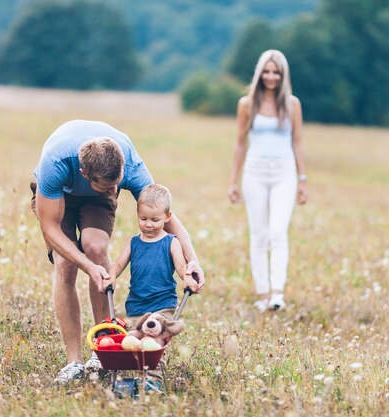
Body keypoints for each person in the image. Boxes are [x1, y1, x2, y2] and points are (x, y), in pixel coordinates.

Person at [30, 120, 205, 384]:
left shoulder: (130, 166)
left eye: (118, 183)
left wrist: (193, 262)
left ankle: (102, 350)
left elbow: (167, 217)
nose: (116, 191)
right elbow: (50, 228)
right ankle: (73, 360)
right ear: (84, 174)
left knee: (96, 247)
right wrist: (87, 267)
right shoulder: (55, 163)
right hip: (59, 197)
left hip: (96, 194)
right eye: (109, 187)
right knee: (66, 265)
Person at [227, 49, 308, 313]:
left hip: (284, 172)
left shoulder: (292, 104)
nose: (271, 76)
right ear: (260, 72)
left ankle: (277, 293)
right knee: (259, 235)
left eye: (276, 72)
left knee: (277, 232)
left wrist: (302, 180)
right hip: (255, 172)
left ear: (283, 75)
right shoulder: (247, 104)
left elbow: (297, 142)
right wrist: (233, 182)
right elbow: (240, 143)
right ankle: (262, 293)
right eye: (267, 71)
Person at [105, 183, 200, 392]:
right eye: (143, 219)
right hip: (136, 306)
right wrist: (111, 276)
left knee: (153, 341)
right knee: (131, 343)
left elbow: (181, 267)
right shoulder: (133, 243)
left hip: (162, 306)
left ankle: (153, 379)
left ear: (167, 217)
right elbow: (119, 263)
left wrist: (189, 278)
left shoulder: (171, 242)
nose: (148, 225)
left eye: (155, 220)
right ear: (137, 215)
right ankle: (124, 381)